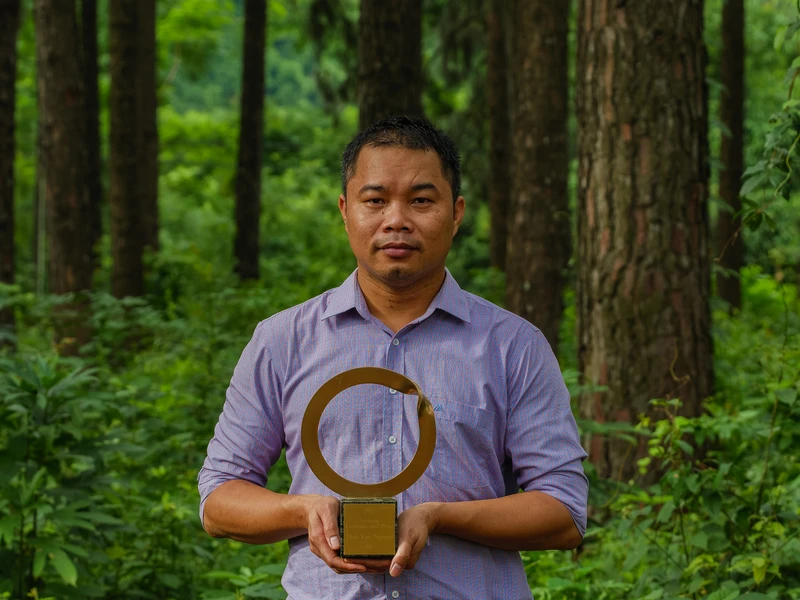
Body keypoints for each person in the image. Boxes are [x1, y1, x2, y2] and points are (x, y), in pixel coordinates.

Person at [198, 115, 588, 600]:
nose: (397, 219)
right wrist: (303, 511)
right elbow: (219, 499)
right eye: (375, 200)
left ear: (457, 212)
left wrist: (438, 517)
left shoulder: (513, 346)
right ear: (345, 211)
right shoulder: (283, 340)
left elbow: (564, 511)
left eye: (421, 200)